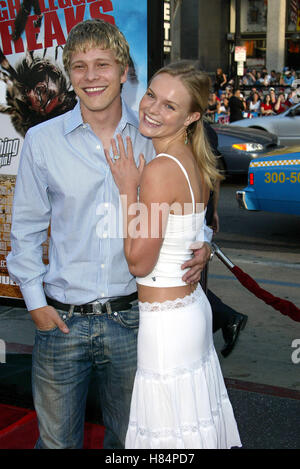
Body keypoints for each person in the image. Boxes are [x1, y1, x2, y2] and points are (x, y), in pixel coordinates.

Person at [6, 20, 210, 449]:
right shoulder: (42, 141)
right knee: (56, 444)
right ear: (68, 76)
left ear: (123, 71)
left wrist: (202, 239)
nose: (91, 76)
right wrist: (36, 304)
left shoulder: (153, 138)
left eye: (103, 64)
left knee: (130, 443)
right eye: (79, 66)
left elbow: (183, 197)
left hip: (134, 320)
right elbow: (24, 229)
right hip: (61, 322)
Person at [106, 61, 241, 449]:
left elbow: (138, 263)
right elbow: (194, 230)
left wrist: (128, 188)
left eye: (170, 106)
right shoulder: (191, 157)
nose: (152, 108)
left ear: (191, 116)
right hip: (189, 311)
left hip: (167, 326)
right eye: (151, 94)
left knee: (169, 436)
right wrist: (205, 249)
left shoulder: (160, 169)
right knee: (192, 422)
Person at [203, 121, 248, 358]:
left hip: (192, 214)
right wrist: (215, 210)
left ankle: (225, 317)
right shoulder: (207, 129)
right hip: (202, 211)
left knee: (186, 282)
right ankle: (225, 318)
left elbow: (211, 174)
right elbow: (216, 175)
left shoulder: (193, 128)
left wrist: (212, 212)